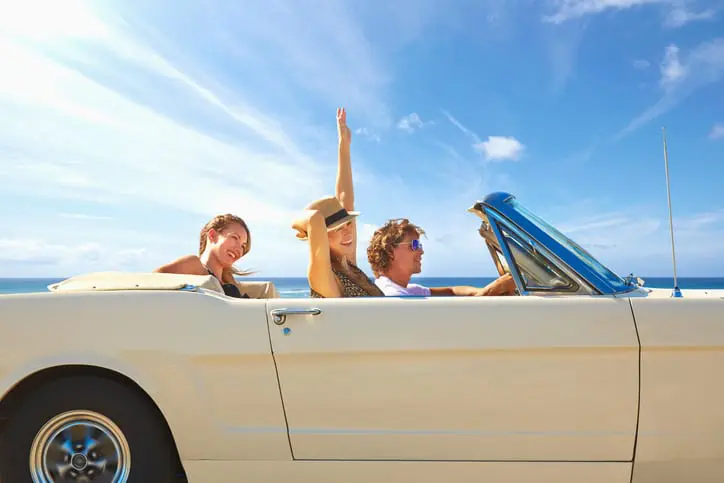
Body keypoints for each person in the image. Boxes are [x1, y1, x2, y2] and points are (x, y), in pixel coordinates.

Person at [292, 108, 384, 298]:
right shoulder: (324, 275)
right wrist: (299, 224)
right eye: (337, 228)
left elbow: (345, 199)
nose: (348, 231)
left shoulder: (348, 264)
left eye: (348, 224)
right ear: (320, 235)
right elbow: (314, 218)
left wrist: (344, 145)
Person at [366, 218, 517, 297]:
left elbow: (452, 290)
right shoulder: (393, 295)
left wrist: (487, 290)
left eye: (420, 246)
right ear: (391, 251)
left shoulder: (408, 291)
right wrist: (490, 291)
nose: (421, 251)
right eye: (414, 245)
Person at [153, 213, 253, 298]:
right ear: (212, 235)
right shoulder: (194, 264)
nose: (239, 250)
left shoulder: (228, 279)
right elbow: (151, 281)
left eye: (243, 246)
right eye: (235, 237)